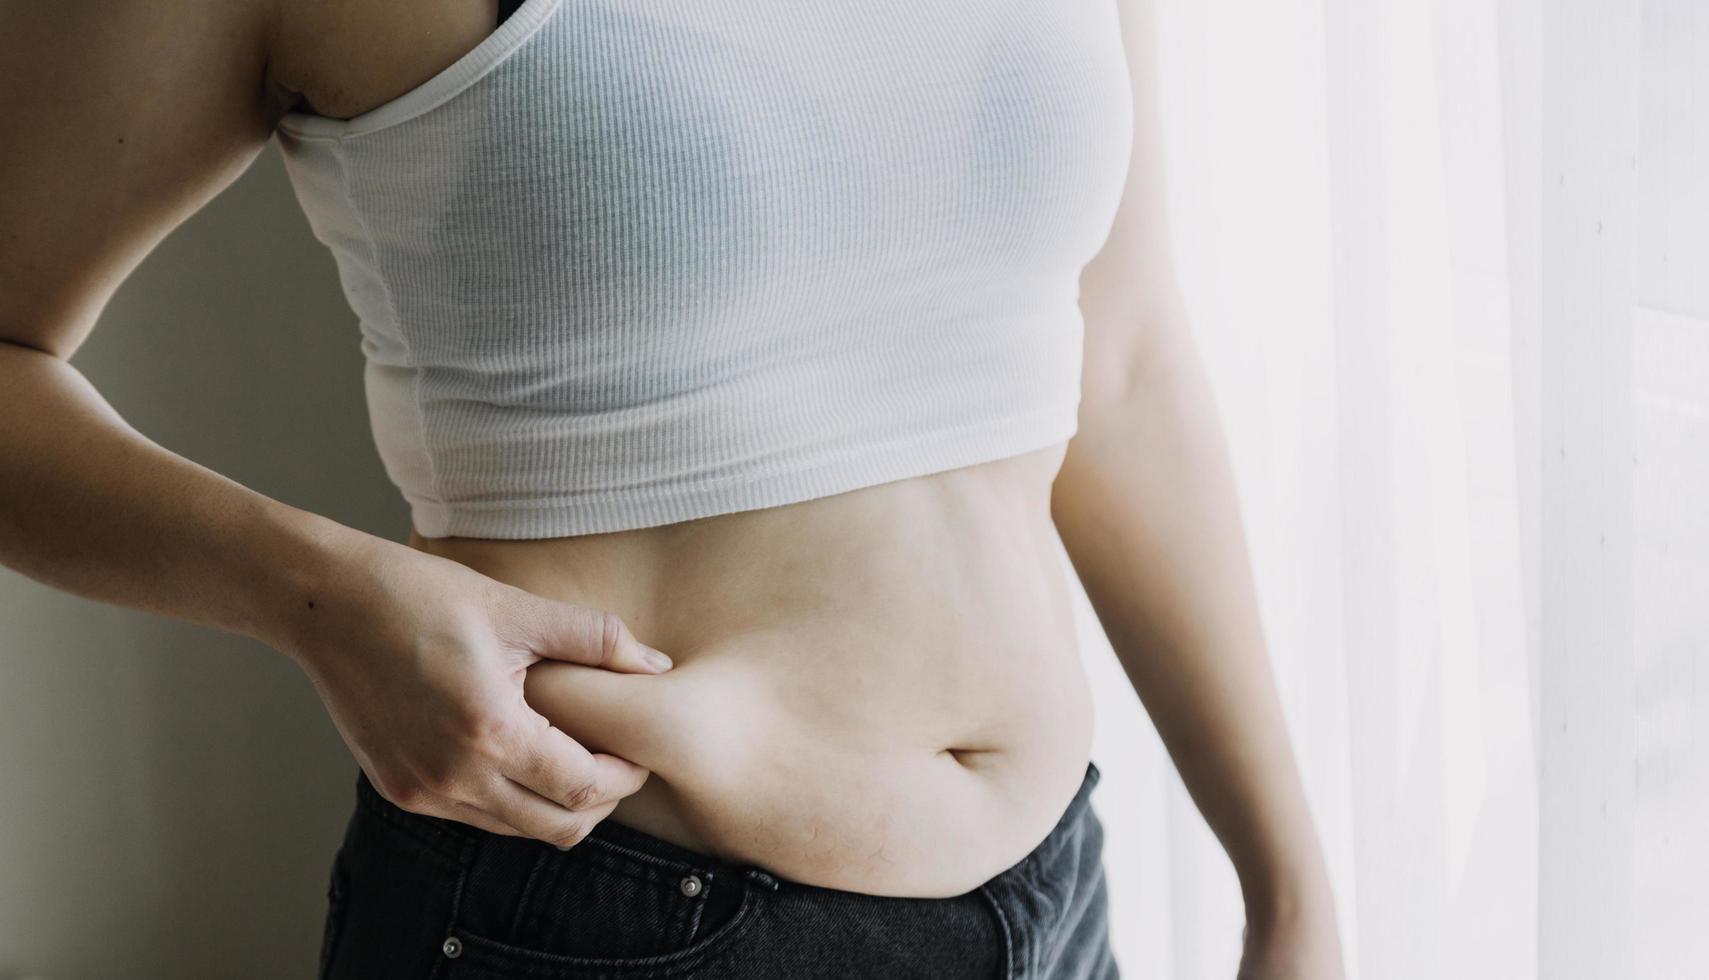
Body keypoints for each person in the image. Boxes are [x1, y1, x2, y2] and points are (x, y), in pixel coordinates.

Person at [0, 0, 1346, 976]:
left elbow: (1113, 365)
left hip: (1055, 894)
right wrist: (318, 598)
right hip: (615, 919)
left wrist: (1286, 886)